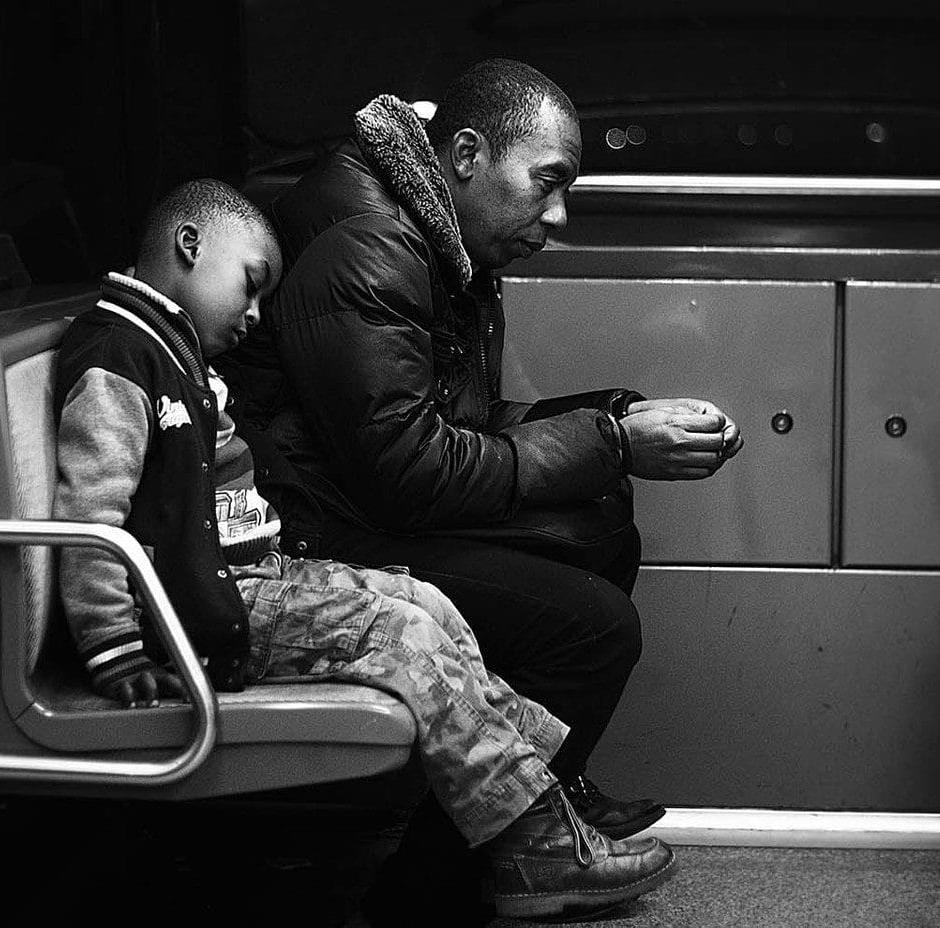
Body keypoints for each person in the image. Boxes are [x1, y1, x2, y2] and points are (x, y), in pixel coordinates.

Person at [52, 178, 678, 921]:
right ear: (190, 246)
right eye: (251, 286)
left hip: (252, 580)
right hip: (198, 615)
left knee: (425, 600)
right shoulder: (119, 357)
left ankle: (536, 805)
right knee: (403, 632)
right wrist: (113, 647)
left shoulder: (173, 353)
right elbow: (92, 517)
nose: (254, 318)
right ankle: (534, 839)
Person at [218, 58, 741, 920]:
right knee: (593, 628)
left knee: (600, 524)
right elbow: (410, 475)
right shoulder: (371, 245)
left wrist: (617, 419)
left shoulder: (436, 231)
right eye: (546, 184)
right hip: (309, 533)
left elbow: (460, 417)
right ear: (465, 154)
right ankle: (441, 884)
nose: (559, 215)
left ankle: (546, 794)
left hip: (355, 496)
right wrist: (610, 440)